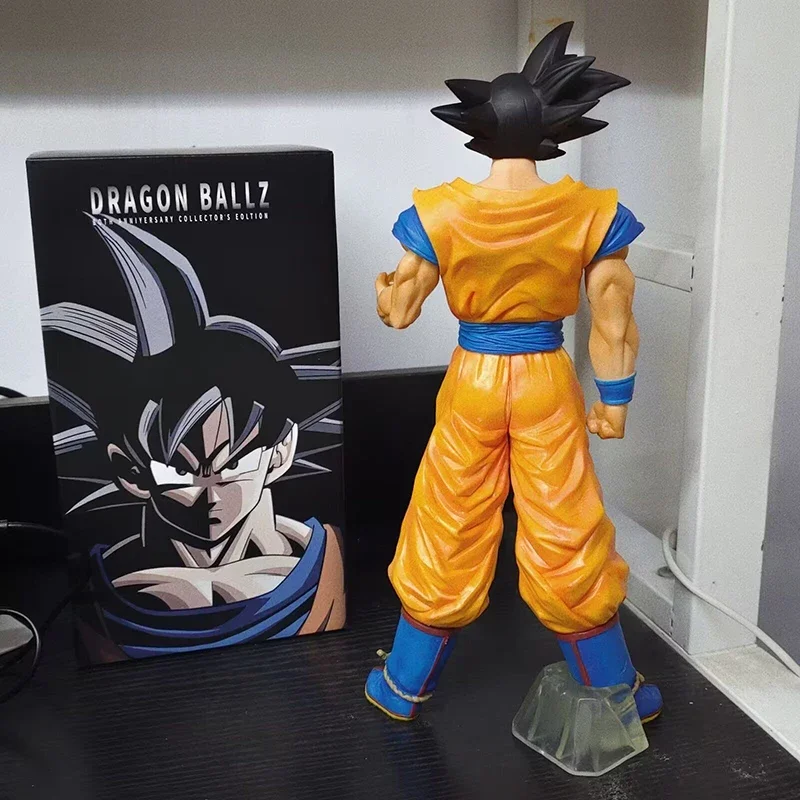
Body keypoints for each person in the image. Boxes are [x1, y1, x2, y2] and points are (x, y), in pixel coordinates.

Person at [365, 21, 662, 724]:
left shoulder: (440, 210)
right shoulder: (591, 212)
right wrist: (615, 400)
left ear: (481, 130)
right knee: (565, 521)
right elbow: (613, 315)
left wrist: (387, 288)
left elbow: (399, 312)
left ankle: (403, 685)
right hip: (546, 382)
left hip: (472, 378)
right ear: (550, 131)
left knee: (448, 516)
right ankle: (617, 692)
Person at [42, 216, 345, 660]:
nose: (210, 495)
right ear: (132, 473)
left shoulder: (324, 560)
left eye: (233, 464)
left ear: (281, 451)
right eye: (180, 472)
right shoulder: (104, 592)